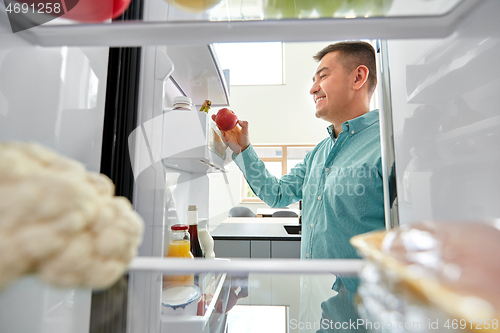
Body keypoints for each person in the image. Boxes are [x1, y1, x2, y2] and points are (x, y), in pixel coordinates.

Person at [214, 40, 385, 307]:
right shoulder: (318, 154)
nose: (313, 88)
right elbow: (276, 193)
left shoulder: (388, 146)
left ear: (358, 77)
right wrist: (242, 148)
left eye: (323, 76)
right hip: (313, 309)